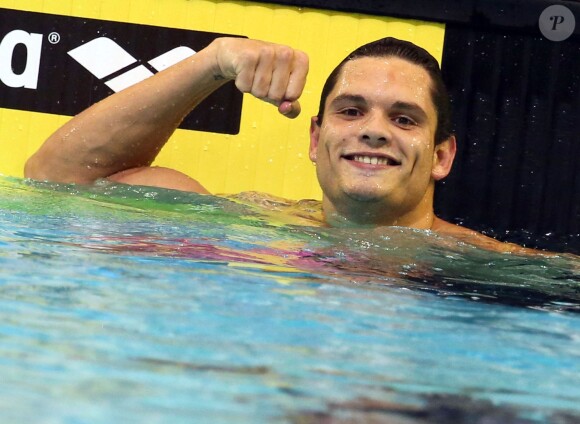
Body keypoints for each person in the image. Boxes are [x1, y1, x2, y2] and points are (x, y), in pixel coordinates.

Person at [24, 37, 531, 253]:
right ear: (316, 138)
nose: (373, 130)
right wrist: (215, 60)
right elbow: (57, 179)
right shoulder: (254, 223)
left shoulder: (482, 263)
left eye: (403, 118)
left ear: (441, 155)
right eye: (351, 111)